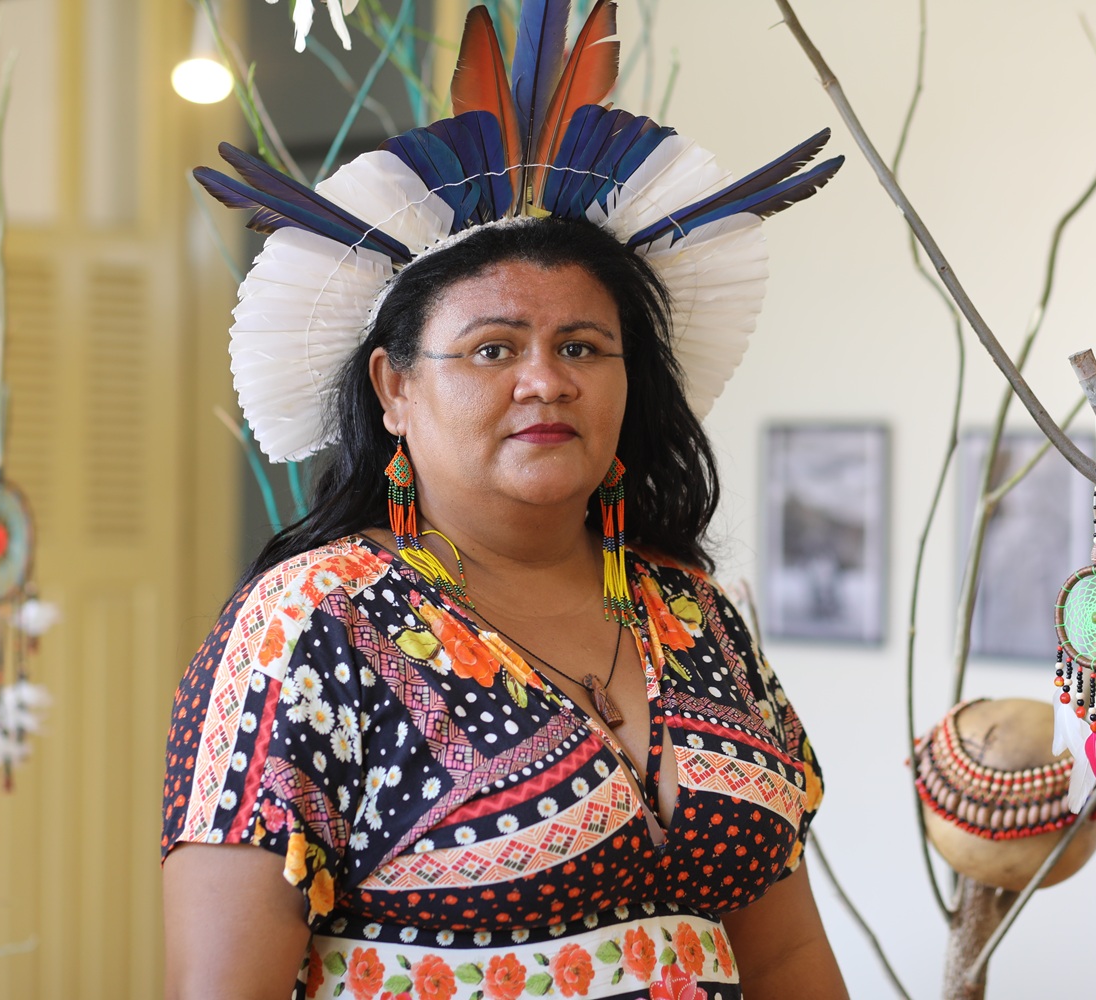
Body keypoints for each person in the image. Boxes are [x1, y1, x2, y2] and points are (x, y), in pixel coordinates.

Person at [162, 5, 849, 999]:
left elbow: (785, 955)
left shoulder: (698, 619)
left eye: (582, 347)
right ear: (393, 388)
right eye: (493, 349)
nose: (545, 381)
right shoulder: (311, 627)